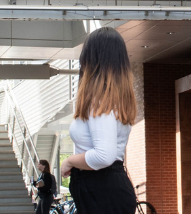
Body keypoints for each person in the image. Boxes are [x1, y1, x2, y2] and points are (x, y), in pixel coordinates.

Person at [59, 27, 139, 214]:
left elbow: (104, 155)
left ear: (91, 59)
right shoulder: (114, 100)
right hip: (107, 190)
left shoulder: (101, 101)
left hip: (101, 190)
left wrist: (69, 161)